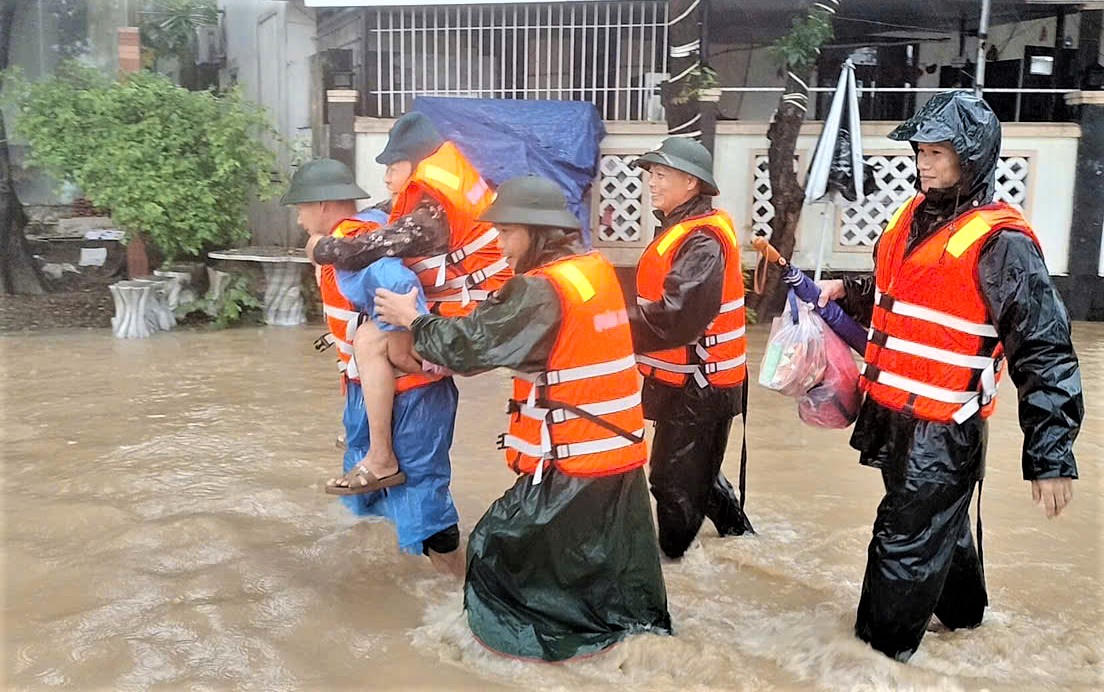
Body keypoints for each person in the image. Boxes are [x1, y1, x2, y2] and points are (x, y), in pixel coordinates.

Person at [816, 91, 1084, 662]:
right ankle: (966, 621)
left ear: (973, 157)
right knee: (938, 525)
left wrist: (1051, 456)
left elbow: (1045, 351)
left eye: (939, 152)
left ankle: (871, 662)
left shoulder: (1002, 244)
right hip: (892, 411)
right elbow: (911, 296)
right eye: (921, 150)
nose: (924, 163)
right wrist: (849, 291)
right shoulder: (914, 216)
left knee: (902, 545)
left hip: (944, 428)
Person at [374, 176, 671, 662]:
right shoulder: (591, 271)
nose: (499, 244)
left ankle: (523, 656)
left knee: (496, 551)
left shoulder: (540, 289)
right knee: (612, 585)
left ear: (536, 233)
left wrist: (415, 320)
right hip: (619, 462)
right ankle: (626, 653)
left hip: (570, 471)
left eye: (508, 233)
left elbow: (471, 344)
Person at [306, 112, 512, 491]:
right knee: (381, 341)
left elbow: (375, 245)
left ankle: (381, 457)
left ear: (415, 163)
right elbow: (389, 218)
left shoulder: (431, 210)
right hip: (483, 308)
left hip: (474, 318)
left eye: (393, 165)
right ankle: (372, 439)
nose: (385, 175)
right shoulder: (445, 190)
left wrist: (325, 248)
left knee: (369, 342)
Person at [284, 159, 463, 576]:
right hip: (366, 389)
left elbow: (396, 281)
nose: (297, 217)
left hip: (411, 393)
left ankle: (453, 589)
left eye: (301, 208)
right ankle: (385, 587)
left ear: (324, 205)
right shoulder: (353, 238)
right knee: (366, 493)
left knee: (422, 493)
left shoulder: (355, 240)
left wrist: (400, 338)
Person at [627, 137, 755, 560]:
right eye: (652, 174)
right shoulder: (681, 229)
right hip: (685, 377)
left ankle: (673, 564)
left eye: (661, 175)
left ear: (691, 183)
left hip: (702, 382)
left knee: (669, 480)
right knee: (691, 470)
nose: (651, 182)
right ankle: (741, 539)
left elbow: (678, 317)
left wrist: (608, 326)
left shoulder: (702, 241)